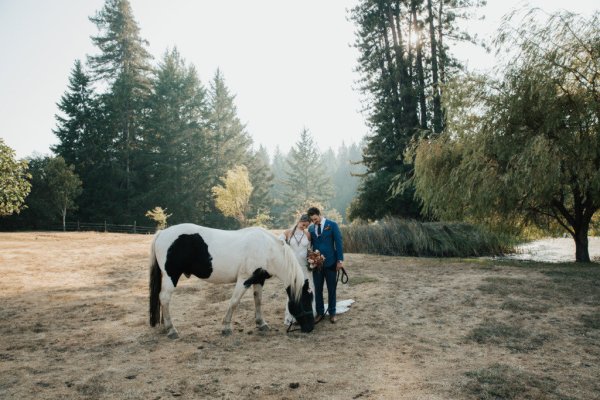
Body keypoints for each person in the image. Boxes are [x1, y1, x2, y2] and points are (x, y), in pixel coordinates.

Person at [307, 206, 344, 323]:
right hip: (316, 265)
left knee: (331, 288)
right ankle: (320, 312)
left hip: (331, 262)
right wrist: (311, 258)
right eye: (312, 220)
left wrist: (339, 261)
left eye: (315, 219)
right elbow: (310, 245)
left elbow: (338, 243)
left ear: (319, 214)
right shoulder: (311, 229)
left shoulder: (332, 225)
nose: (314, 222)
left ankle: (332, 313)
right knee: (317, 289)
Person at [279, 214, 316, 325]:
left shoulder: (308, 235)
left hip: (304, 266)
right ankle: (293, 316)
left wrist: (313, 259)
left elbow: (310, 250)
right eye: (303, 223)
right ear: (299, 221)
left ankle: (308, 314)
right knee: (294, 291)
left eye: (306, 225)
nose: (304, 226)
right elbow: (279, 244)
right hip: (292, 266)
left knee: (307, 290)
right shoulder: (287, 233)